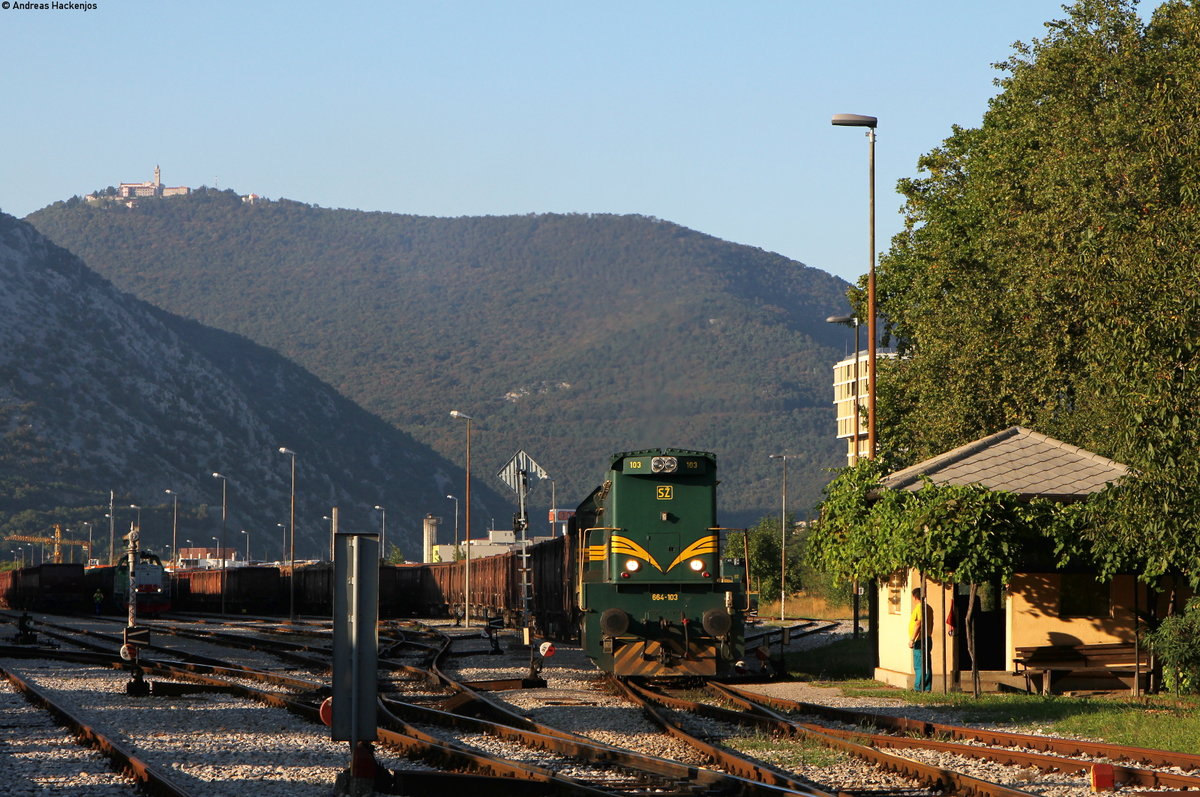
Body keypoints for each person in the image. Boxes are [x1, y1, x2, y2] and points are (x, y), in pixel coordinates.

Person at [908, 587, 934, 691]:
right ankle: (927, 687)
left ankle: (918, 687)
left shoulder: (919, 608)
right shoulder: (929, 608)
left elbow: (918, 623)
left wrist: (912, 639)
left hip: (920, 640)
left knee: (919, 665)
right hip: (927, 637)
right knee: (927, 664)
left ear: (915, 597)